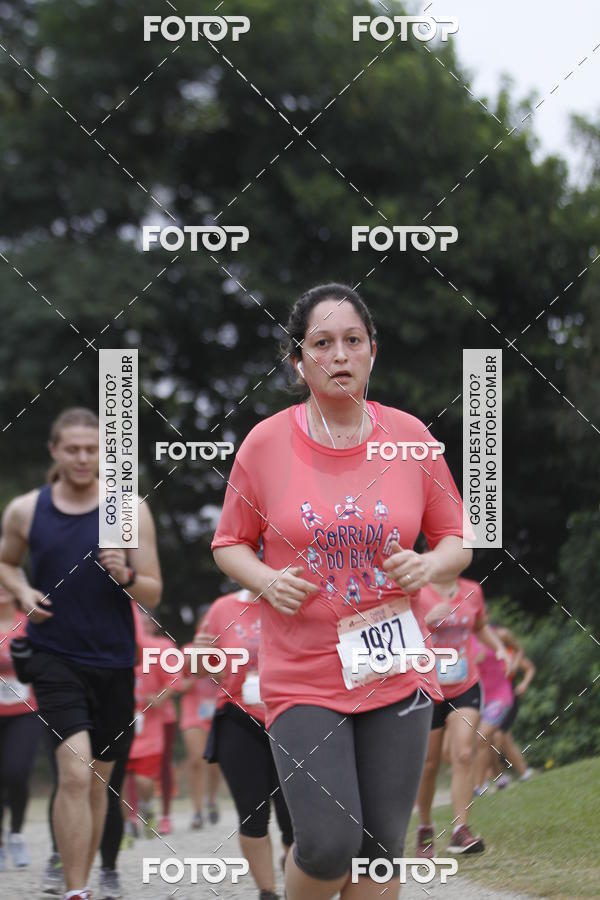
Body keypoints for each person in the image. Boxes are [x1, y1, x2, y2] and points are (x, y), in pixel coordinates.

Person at [211, 283, 472, 900]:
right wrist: (267, 579)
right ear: (297, 362)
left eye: (352, 341)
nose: (339, 355)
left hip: (394, 668)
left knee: (381, 850)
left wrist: (429, 565)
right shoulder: (265, 443)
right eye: (321, 343)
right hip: (303, 674)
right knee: (328, 844)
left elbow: (458, 538)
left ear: (372, 352)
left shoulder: (410, 437)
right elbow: (228, 544)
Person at [0, 407, 162, 900]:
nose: (82, 457)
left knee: (98, 786)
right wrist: (23, 593)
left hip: (113, 663)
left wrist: (126, 576)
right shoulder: (27, 510)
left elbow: (154, 593)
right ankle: (76, 891)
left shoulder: (129, 510)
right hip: (53, 657)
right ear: (55, 451)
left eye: (92, 449)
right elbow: (5, 564)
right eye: (72, 449)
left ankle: (84, 878)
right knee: (74, 771)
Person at [200, 589, 292, 900]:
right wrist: (202, 657)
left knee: (295, 815)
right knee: (253, 812)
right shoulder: (222, 608)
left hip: (294, 716)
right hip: (238, 716)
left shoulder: (297, 599)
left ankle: (297, 882)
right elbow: (204, 669)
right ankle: (268, 892)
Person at [415, 577, 509, 856]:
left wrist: (499, 647)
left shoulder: (473, 591)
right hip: (428, 687)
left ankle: (460, 831)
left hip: (465, 685)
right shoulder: (417, 590)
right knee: (429, 765)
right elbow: (400, 635)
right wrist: (427, 620)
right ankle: (425, 827)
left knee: (465, 754)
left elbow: (479, 628)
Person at [0, 585, 43, 870]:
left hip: (26, 709)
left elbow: (42, 659)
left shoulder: (29, 621)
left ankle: (15, 833)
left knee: (16, 773)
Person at [473, 625, 535, 793]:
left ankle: (494, 777)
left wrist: (517, 671)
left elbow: (523, 657)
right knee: (497, 740)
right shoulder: (472, 644)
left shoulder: (501, 636)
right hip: (487, 697)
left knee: (499, 738)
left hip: (506, 694)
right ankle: (507, 775)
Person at [180, 608, 221, 829]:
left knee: (214, 763)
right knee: (197, 760)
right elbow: (180, 679)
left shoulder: (227, 649)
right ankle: (196, 810)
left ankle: (211, 800)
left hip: (219, 710)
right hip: (193, 711)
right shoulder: (187, 650)